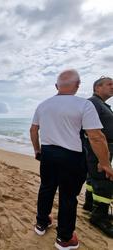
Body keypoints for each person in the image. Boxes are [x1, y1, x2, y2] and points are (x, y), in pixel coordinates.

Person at [30, 70, 113, 250]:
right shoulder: (83, 104)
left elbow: (33, 130)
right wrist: (105, 163)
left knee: (46, 188)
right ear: (77, 85)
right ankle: (65, 238)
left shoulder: (43, 105)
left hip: (48, 154)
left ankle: (41, 224)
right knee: (68, 196)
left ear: (56, 86)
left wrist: (37, 150)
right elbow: (96, 137)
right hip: (72, 156)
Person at [82, 76, 113, 237]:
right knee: (104, 180)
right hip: (98, 147)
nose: (112, 87)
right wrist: (104, 160)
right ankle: (99, 216)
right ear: (97, 88)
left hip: (101, 146)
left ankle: (89, 205)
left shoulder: (101, 104)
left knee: (93, 177)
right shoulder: (93, 103)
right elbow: (92, 132)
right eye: (109, 84)